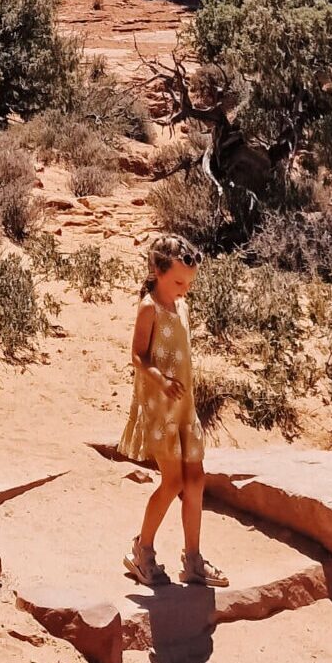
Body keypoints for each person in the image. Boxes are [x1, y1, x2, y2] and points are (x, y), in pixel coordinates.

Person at [118, 232, 225, 588]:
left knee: (196, 480)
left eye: (189, 283)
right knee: (173, 480)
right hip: (160, 405)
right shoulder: (150, 307)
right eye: (179, 281)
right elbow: (137, 355)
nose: (184, 289)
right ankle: (142, 549)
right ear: (158, 271)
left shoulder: (182, 305)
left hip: (184, 407)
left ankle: (193, 560)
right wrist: (160, 380)